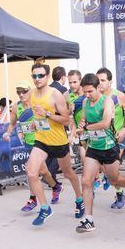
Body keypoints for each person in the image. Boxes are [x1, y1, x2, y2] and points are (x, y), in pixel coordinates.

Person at [25, 63, 83, 226]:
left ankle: (79, 199)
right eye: (34, 76)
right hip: (41, 140)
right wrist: (33, 125)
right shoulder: (32, 94)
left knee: (68, 173)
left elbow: (66, 119)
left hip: (58, 141)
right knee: (31, 172)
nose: (37, 79)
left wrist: (48, 114)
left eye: (40, 76)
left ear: (47, 77)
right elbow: (37, 117)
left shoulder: (55, 94)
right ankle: (45, 207)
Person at [75, 73, 125, 233]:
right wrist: (80, 126)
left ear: (98, 87)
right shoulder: (86, 101)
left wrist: (86, 128)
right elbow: (84, 119)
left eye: (90, 91)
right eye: (84, 92)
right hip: (93, 147)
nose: (87, 95)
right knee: (86, 181)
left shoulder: (107, 101)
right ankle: (88, 219)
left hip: (108, 147)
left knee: (115, 179)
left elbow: (106, 123)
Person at [3, 81, 59, 211]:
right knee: (43, 171)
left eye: (24, 91)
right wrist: (8, 132)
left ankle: (32, 199)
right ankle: (56, 187)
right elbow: (12, 123)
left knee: (30, 170)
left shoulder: (38, 103)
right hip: (29, 143)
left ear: (31, 91)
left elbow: (51, 118)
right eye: (18, 92)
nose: (21, 94)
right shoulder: (16, 107)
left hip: (42, 142)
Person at [96, 68, 125, 208]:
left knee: (112, 173)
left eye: (103, 80)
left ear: (110, 82)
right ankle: (120, 192)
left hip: (118, 139)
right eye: (98, 80)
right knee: (107, 172)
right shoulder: (96, 96)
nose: (100, 83)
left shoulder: (119, 96)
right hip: (100, 140)